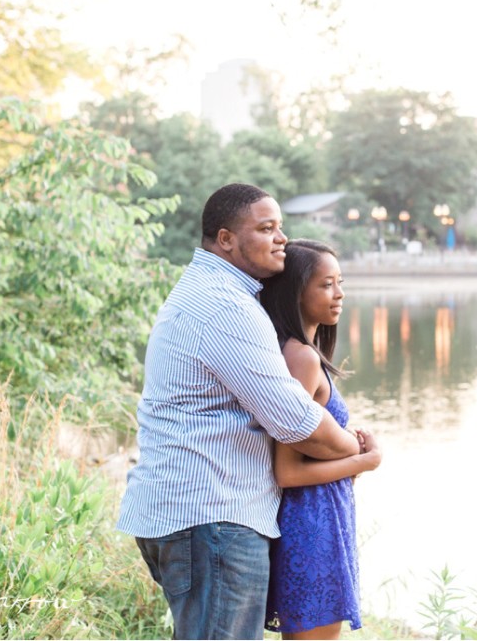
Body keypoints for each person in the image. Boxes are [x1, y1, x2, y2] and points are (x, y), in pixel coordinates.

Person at [116, 183, 374, 640]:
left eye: (281, 227)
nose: (280, 238)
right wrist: (355, 450)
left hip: (190, 511)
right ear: (226, 238)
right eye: (266, 227)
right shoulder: (225, 307)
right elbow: (295, 422)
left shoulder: (211, 294)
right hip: (211, 513)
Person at [259, 239, 383, 640]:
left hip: (321, 513)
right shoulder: (301, 358)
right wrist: (363, 462)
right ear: (297, 291)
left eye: (340, 282)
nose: (340, 294)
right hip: (310, 522)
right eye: (326, 284)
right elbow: (287, 471)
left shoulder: (304, 352)